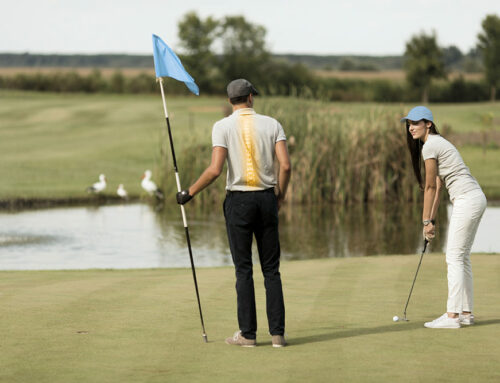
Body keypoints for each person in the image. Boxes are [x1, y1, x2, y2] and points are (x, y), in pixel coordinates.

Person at [176, 79, 292, 347]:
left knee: (244, 270)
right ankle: (277, 335)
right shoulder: (273, 124)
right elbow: (285, 165)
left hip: (238, 202)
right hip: (266, 199)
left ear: (231, 101)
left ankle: (248, 336)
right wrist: (280, 196)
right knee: (271, 270)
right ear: (250, 98)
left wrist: (189, 193)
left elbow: (215, 170)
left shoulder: (222, 126)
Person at [402, 106, 486, 329]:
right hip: (474, 197)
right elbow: (439, 188)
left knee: (454, 258)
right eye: (409, 124)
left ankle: (452, 317)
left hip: (467, 199)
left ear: (428, 123)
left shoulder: (431, 145)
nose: (411, 128)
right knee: (462, 257)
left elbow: (429, 187)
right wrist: (430, 220)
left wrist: (425, 222)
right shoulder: (439, 143)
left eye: (416, 123)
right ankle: (465, 314)